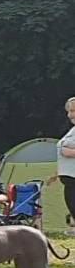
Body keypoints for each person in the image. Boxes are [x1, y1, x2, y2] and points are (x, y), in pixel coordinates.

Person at [59, 97, 75, 236]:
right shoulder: (73, 130)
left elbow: (66, 151)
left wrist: (67, 152)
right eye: (68, 111)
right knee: (71, 201)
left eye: (73, 111)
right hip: (69, 176)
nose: (70, 115)